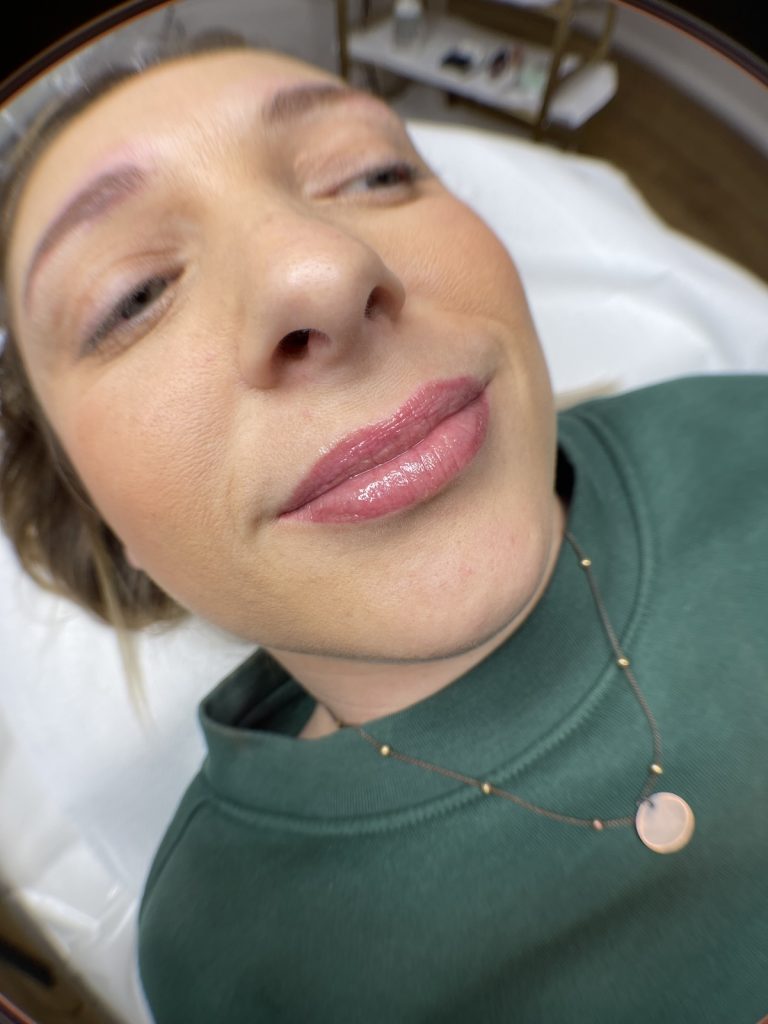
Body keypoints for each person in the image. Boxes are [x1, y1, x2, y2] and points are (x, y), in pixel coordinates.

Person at [1, 42, 766, 1024]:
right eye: (134, 297)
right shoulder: (225, 951)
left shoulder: (745, 434)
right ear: (101, 527)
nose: (321, 269)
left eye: (373, 173)